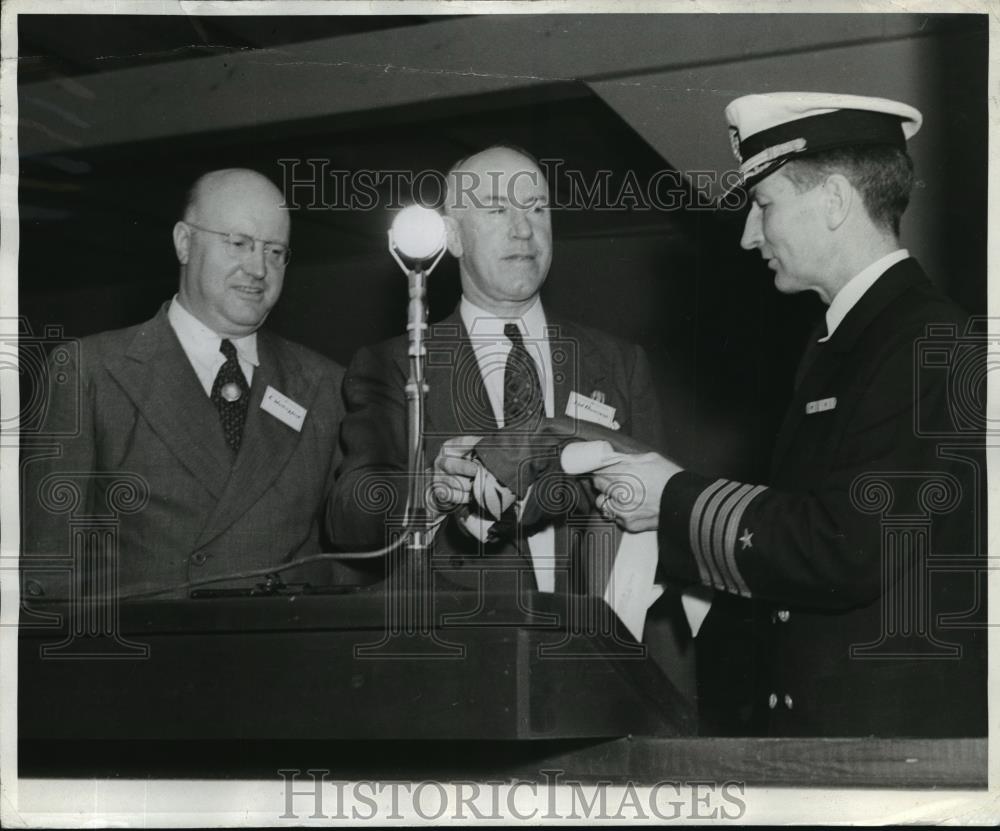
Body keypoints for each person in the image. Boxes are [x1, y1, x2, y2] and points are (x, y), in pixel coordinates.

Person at [590, 92, 986, 737]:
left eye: (764, 204)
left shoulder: (922, 340)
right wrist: (670, 504)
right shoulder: (857, 337)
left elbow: (845, 548)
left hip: (889, 740)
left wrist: (675, 498)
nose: (749, 234)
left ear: (833, 201)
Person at [332, 145, 669, 602]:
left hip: (591, 634)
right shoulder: (394, 364)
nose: (524, 229)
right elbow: (348, 515)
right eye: (497, 210)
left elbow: (660, 512)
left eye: (537, 208)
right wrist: (429, 492)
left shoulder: (618, 363)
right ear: (453, 237)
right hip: (460, 635)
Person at [21, 168, 346, 599]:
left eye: (274, 251)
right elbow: (48, 573)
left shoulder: (325, 385)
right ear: (184, 243)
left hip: (280, 642)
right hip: (144, 641)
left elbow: (346, 561)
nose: (258, 268)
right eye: (238, 243)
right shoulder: (89, 371)